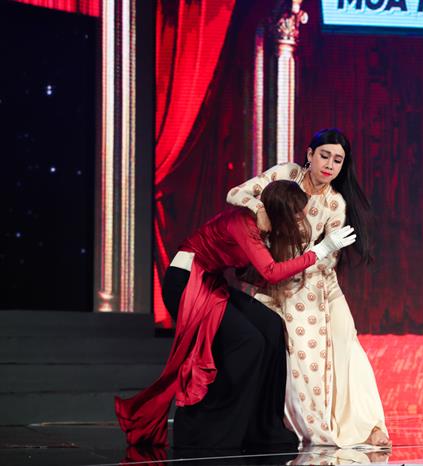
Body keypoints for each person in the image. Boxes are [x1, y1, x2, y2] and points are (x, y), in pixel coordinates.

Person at [115, 180, 356, 451]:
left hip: (208, 282)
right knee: (248, 342)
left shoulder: (263, 226)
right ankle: (207, 431)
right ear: (282, 213)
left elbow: (252, 271)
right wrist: (320, 251)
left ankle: (263, 429)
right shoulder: (243, 224)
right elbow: (271, 272)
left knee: (271, 325)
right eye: (297, 215)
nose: (301, 220)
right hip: (185, 283)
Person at [226, 129, 390, 447]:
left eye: (337, 160)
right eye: (324, 156)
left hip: (317, 285)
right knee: (295, 354)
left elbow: (328, 260)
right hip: (274, 281)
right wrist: (260, 209)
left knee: (347, 344)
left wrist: (305, 267)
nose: (329, 165)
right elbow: (235, 193)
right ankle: (303, 424)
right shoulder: (286, 174)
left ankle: (369, 424)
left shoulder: (334, 203)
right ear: (310, 154)